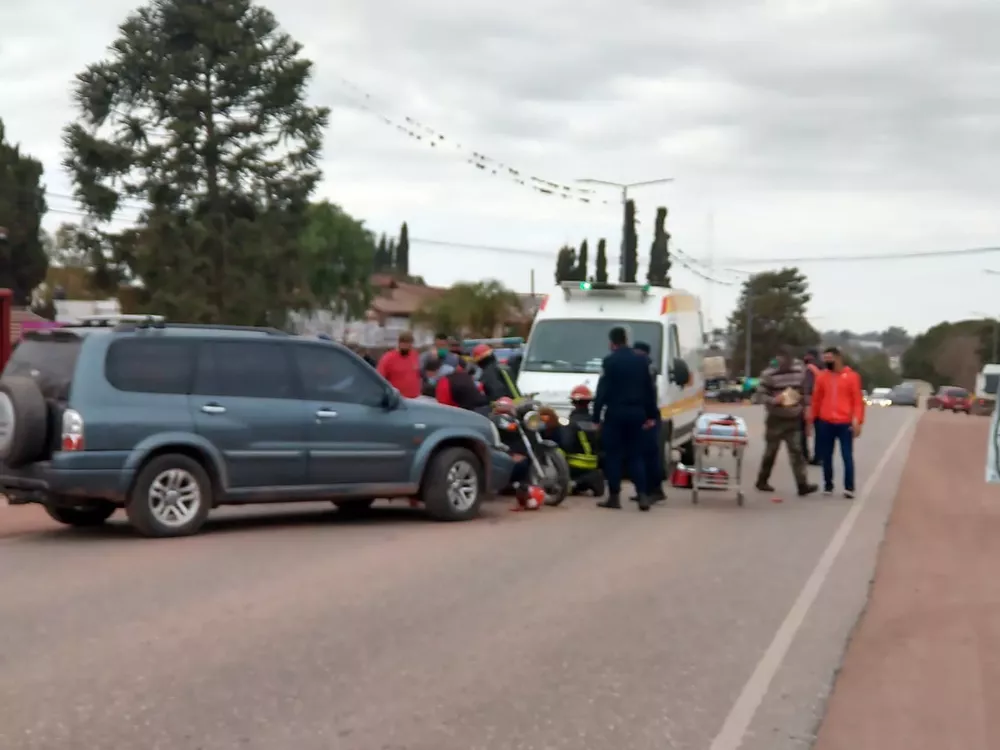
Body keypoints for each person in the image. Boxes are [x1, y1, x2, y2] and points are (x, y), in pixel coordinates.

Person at [592, 326, 658, 511]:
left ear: (612, 343)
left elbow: (602, 391)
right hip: (637, 414)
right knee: (636, 455)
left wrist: (596, 417)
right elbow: (648, 390)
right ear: (626, 340)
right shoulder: (641, 360)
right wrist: (651, 415)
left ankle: (614, 497)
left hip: (615, 414)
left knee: (613, 456)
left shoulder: (610, 361)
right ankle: (643, 495)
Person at [755, 346, 819, 496]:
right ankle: (762, 480)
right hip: (776, 418)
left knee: (796, 452)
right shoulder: (769, 373)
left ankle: (802, 484)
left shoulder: (799, 370)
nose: (783, 363)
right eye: (780, 360)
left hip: (794, 418)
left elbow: (805, 391)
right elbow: (759, 396)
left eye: (786, 360)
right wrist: (773, 400)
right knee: (771, 452)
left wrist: (806, 407)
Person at [810, 346, 865, 498]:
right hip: (825, 422)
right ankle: (828, 485)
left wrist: (857, 421)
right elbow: (816, 400)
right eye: (825, 359)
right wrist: (810, 420)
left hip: (845, 423)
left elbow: (857, 402)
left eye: (830, 359)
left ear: (838, 358)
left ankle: (849, 487)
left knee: (846, 455)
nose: (827, 362)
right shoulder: (822, 377)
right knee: (826, 455)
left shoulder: (852, 377)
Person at [493, 396, 544, 510]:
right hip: (503, 450)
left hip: (514, 449)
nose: (506, 408)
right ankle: (522, 493)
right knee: (520, 465)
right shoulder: (496, 418)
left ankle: (523, 491)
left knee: (523, 463)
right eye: (503, 405)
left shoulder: (513, 418)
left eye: (508, 406)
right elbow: (506, 426)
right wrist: (514, 425)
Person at [632, 341, 666, 502]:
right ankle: (645, 490)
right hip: (647, 415)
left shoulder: (647, 370)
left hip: (648, 417)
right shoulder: (646, 368)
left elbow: (648, 396)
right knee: (645, 455)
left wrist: (649, 417)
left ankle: (655, 490)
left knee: (650, 455)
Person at [559, 385, 605, 496]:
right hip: (595, 463)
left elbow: (566, 444)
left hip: (574, 465)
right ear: (589, 402)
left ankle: (576, 482)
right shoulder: (598, 423)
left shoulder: (570, 423)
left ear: (573, 403)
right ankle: (589, 479)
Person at [376, 331, 422, 398]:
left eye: (408, 343)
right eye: (403, 342)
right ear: (399, 343)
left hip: (414, 397)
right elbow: (379, 377)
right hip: (397, 398)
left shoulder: (415, 355)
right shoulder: (388, 358)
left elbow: (418, 374)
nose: (406, 345)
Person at [802, 348, 822, 465]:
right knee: (820, 433)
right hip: (821, 405)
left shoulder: (809, 369)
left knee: (803, 432)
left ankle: (804, 455)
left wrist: (807, 405)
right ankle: (818, 457)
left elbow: (807, 388)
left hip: (809, 404)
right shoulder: (822, 368)